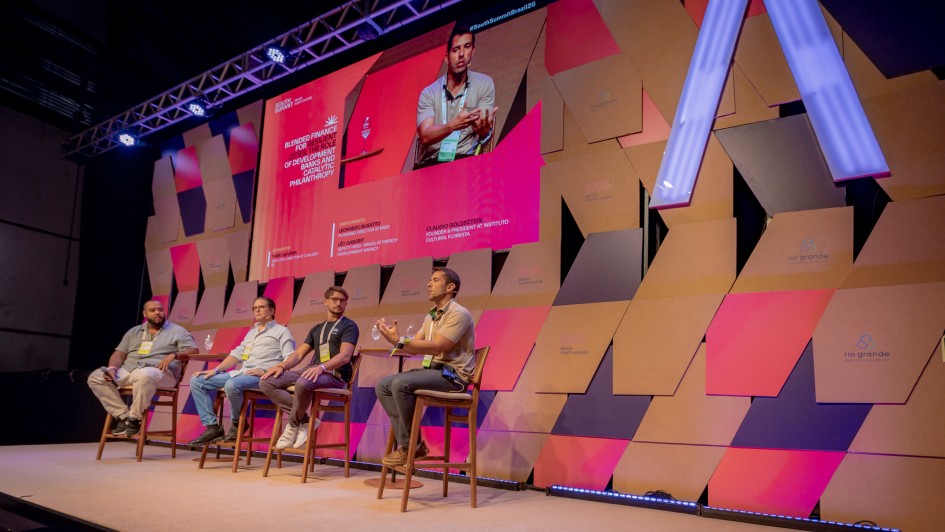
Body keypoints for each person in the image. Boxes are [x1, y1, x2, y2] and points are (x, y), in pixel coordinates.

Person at [374, 268, 475, 466]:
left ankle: (408, 446)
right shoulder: (430, 316)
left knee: (401, 383)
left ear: (450, 287)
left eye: (435, 280)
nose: (428, 284)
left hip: (453, 377)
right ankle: (413, 445)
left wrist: (401, 342)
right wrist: (395, 340)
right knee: (384, 385)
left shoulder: (459, 314)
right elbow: (414, 347)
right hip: (435, 371)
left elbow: (438, 346)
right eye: (429, 280)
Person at [260, 286, 359, 450]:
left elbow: (345, 356)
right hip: (312, 371)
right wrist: (281, 366)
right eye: (334, 299)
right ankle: (305, 422)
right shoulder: (317, 329)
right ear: (326, 302)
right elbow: (298, 355)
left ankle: (292, 426)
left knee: (303, 383)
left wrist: (321, 367)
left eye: (342, 301)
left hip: (335, 374)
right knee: (267, 382)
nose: (339, 303)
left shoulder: (349, 326)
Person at [188, 296, 295, 445]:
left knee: (232, 385)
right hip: (242, 373)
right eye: (254, 308)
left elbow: (290, 358)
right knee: (197, 380)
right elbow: (237, 354)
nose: (257, 310)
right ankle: (212, 427)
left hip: (263, 377)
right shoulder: (252, 332)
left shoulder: (281, 331)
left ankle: (238, 423)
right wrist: (216, 370)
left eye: (261, 307)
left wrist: (265, 371)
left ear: (271, 311)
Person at [87, 300, 198, 437]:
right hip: (130, 369)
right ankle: (123, 416)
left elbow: (194, 351)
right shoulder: (134, 332)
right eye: (152, 310)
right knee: (96, 377)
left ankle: (135, 418)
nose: (157, 312)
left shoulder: (178, 331)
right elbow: (119, 353)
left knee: (145, 375)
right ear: (145, 314)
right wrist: (112, 368)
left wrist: (174, 355)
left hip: (161, 372)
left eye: (160, 309)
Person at [415, 26, 498, 168]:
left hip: (466, 162)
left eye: (467, 47)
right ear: (447, 57)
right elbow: (425, 136)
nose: (461, 54)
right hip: (431, 164)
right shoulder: (429, 93)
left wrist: (483, 129)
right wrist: (453, 125)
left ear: (473, 51)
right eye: (455, 50)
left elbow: (483, 133)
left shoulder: (484, 83)